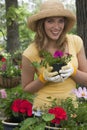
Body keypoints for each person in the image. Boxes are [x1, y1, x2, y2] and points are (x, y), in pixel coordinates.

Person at [22, 0, 87, 109]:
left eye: (60, 21)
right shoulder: (30, 52)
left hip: (72, 110)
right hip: (44, 111)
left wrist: (73, 71)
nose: (56, 26)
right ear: (41, 24)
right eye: (50, 21)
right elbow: (26, 88)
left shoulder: (75, 41)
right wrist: (43, 78)